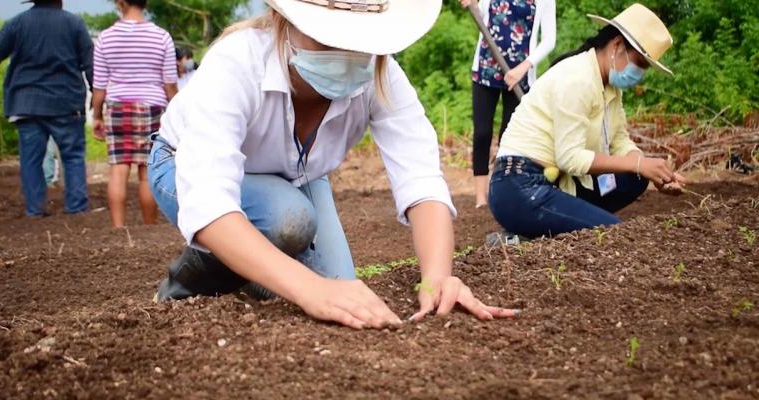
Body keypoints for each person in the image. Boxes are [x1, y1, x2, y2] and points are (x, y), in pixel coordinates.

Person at [148, 0, 519, 329]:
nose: (346, 51)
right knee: (288, 221)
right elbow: (209, 200)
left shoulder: (381, 74)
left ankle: (252, 270)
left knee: (339, 284)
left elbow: (420, 177)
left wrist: (437, 277)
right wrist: (310, 289)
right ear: (284, 20)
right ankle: (187, 284)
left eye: (361, 40)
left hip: (295, 175)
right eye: (327, 37)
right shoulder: (237, 62)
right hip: (180, 165)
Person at [489, 3, 686, 242]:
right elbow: (570, 158)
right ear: (616, 46)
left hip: (559, 182)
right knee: (611, 230)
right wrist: (637, 165)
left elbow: (619, 139)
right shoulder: (577, 79)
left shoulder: (609, 84)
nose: (639, 74)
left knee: (635, 178)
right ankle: (534, 230)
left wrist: (649, 169)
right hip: (520, 185)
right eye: (640, 64)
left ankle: (552, 226)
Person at [0, 0, 91, 216]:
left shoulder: (17, 24)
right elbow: (90, 65)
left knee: (31, 160)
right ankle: (76, 210)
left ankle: (35, 211)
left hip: (26, 103)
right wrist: (100, 98)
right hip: (66, 102)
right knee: (73, 157)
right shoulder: (74, 24)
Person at [459, 0, 556, 208]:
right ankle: (480, 199)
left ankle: (498, 192)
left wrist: (524, 67)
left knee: (508, 136)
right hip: (486, 68)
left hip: (519, 75)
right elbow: (483, 13)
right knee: (482, 133)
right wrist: (472, 4)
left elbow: (549, 40)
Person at [92, 0, 179, 228]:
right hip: (152, 108)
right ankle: (149, 227)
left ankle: (118, 228)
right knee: (146, 171)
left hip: (118, 107)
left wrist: (98, 117)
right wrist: (178, 112)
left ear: (120, 3)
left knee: (118, 171)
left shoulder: (105, 37)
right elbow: (170, 85)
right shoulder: (161, 37)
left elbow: (99, 87)